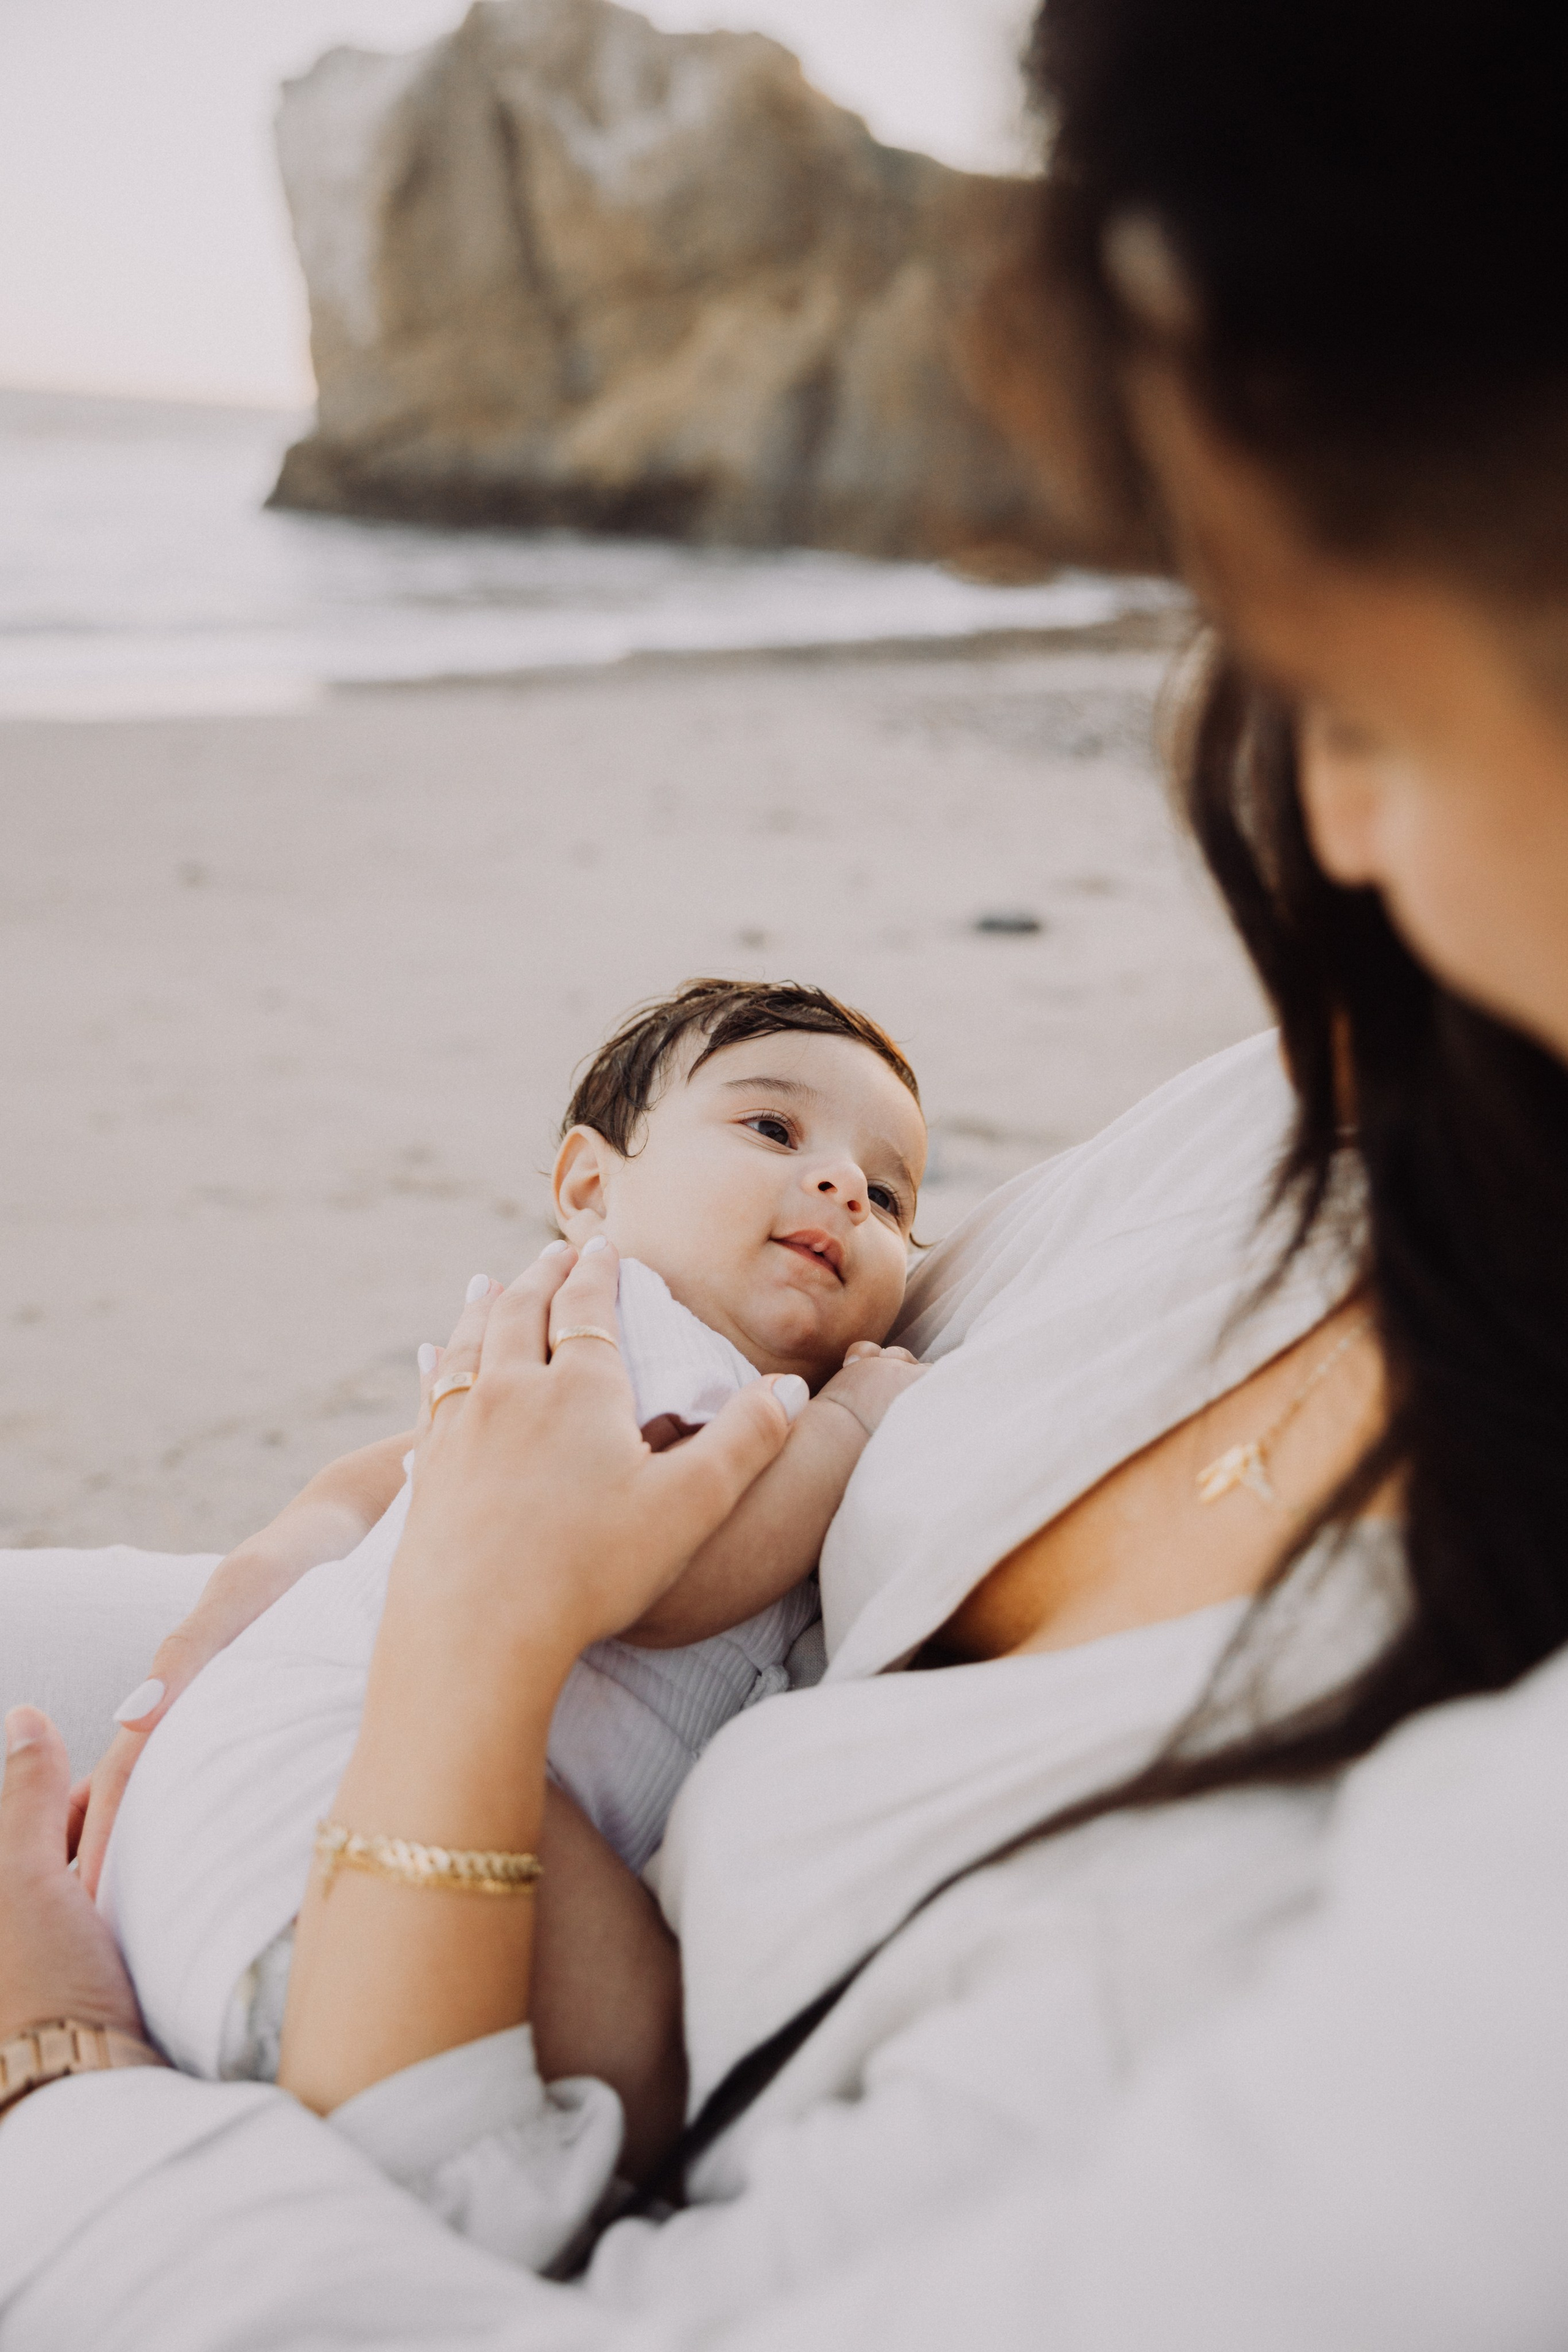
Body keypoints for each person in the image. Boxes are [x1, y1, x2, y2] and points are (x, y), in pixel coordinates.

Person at [4, 0, 1568, 2343]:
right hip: (352, 1723)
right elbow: (454, 1501)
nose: (1316, 820)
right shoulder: (1367, 1083)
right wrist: (287, 1574)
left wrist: (55, 2080)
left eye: (1357, 677)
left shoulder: (1462, 2007)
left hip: (420, 2065)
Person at [86, 978, 927, 2152]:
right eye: (773, 1129)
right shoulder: (657, 1347)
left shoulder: (621, 1363)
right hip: (336, 1831)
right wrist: (846, 1428)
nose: (844, 1185)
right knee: (650, 2086)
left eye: (891, 1196)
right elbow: (651, 1578)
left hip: (255, 1877)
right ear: (589, 1189)